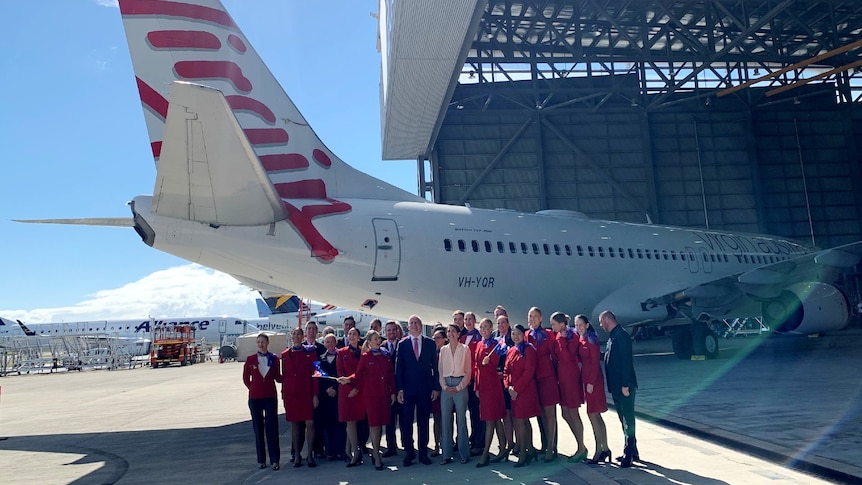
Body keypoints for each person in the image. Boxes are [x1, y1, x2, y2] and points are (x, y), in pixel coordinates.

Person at [339, 330, 395, 470]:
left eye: (378, 338)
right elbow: (358, 375)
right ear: (369, 342)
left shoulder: (385, 355)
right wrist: (347, 379)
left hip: (384, 395)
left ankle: (376, 452)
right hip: (371, 396)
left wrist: (393, 391)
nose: (378, 340)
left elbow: (390, 375)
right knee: (374, 425)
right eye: (375, 339)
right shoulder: (365, 356)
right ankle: (376, 455)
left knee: (381, 425)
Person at [395, 315, 440, 467]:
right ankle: (409, 453)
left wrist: (435, 387)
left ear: (421, 326)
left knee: (423, 422)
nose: (414, 325)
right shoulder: (402, 344)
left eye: (416, 323)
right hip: (407, 390)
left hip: (425, 389)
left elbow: (435, 367)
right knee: (406, 422)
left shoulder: (430, 343)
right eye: (411, 323)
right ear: (408, 327)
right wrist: (399, 389)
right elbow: (399, 369)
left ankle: (423, 454)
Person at [599, 310, 639, 468]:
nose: (601, 325)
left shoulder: (621, 336)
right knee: (623, 419)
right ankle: (632, 449)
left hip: (623, 385)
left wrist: (625, 384)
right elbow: (611, 357)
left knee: (628, 420)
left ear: (608, 319)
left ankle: (629, 454)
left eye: (602, 322)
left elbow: (626, 361)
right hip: (616, 385)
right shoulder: (613, 336)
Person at [550, 312, 588, 463]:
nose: (552, 327)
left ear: (561, 324)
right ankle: (581, 445)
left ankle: (581, 447)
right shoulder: (559, 336)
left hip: (571, 378)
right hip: (562, 378)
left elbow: (567, 356)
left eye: (554, 324)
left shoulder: (572, 336)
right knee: (565, 413)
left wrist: (564, 339)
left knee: (573, 412)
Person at [281, 327, 319, 468]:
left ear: (303, 337)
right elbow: (284, 375)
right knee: (295, 424)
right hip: (292, 394)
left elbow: (316, 373)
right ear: (291, 336)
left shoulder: (310, 352)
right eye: (294, 334)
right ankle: (297, 454)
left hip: (306, 393)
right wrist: (283, 393)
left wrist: (316, 394)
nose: (296, 336)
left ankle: (310, 454)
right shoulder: (285, 355)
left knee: (310, 423)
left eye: (299, 334)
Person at [525, 307, 559, 462]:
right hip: (535, 379)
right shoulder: (526, 335)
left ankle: (552, 447)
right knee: (541, 414)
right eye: (530, 316)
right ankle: (545, 445)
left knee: (550, 413)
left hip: (548, 377)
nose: (532, 319)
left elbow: (555, 354)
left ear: (540, 318)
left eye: (535, 316)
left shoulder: (548, 334)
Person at [503, 324, 540, 467]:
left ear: (523, 335)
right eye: (513, 334)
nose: (516, 336)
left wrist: (516, 389)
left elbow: (529, 372)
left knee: (522, 421)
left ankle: (524, 453)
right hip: (514, 393)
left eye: (518, 333)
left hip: (525, 391)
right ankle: (530, 449)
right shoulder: (511, 350)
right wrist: (509, 387)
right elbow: (506, 371)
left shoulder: (529, 350)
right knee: (521, 421)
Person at [575, 314, 610, 464]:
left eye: (581, 325)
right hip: (587, 380)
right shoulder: (582, 338)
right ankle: (605, 448)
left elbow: (595, 362)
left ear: (587, 325)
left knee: (593, 414)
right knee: (595, 416)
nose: (578, 328)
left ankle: (599, 449)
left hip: (593, 381)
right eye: (576, 325)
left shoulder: (591, 339)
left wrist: (590, 382)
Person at [243, 333, 281, 470]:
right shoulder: (251, 359)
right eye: (258, 342)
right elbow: (246, 379)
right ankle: (261, 460)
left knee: (272, 428)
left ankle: (275, 460)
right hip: (255, 397)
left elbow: (277, 376)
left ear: (267, 343)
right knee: (258, 429)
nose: (261, 344)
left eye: (263, 342)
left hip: (270, 396)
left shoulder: (274, 359)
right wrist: (254, 388)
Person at [473, 317, 506, 467]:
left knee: (491, 420)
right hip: (483, 387)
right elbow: (476, 367)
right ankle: (504, 448)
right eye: (481, 327)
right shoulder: (479, 344)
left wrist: (489, 360)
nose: (483, 329)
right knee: (494, 419)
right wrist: (477, 387)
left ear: (491, 329)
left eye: (486, 327)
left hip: (493, 386)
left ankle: (486, 453)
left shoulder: (496, 344)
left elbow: (495, 363)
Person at [438, 324, 472, 465]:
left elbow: (468, 371)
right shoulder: (443, 350)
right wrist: (445, 386)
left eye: (453, 331)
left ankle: (464, 453)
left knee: (461, 421)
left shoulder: (465, 349)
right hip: (446, 386)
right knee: (445, 421)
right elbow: (440, 371)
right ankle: (446, 454)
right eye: (449, 331)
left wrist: (459, 387)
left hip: (460, 385)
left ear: (458, 334)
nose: (451, 333)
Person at [336, 327, 365, 467]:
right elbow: (340, 374)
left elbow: (364, 374)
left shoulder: (363, 353)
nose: (351, 336)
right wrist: (350, 389)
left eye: (354, 334)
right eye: (349, 334)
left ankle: (348, 450)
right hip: (346, 392)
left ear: (359, 337)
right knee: (350, 422)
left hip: (359, 391)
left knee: (354, 422)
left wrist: (357, 389)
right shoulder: (341, 353)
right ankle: (355, 452)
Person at [317, 333, 346, 461]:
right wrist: (327, 389)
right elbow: (319, 377)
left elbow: (343, 374)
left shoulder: (341, 357)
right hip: (326, 397)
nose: (329, 344)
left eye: (331, 341)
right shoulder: (320, 359)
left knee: (339, 424)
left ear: (335, 343)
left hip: (339, 395)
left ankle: (340, 451)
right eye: (327, 342)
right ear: (324, 344)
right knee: (327, 425)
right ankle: (330, 452)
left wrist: (335, 388)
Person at [460, 311, 485, 456]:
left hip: (474, 380)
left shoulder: (479, 336)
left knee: (477, 413)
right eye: (466, 319)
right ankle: (472, 439)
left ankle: (479, 443)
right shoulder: (463, 337)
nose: (468, 321)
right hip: (465, 381)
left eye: (470, 319)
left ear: (475, 321)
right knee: (469, 412)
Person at [304, 321, 327, 459]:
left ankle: (318, 449)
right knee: (302, 424)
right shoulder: (300, 348)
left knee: (318, 421)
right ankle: (299, 451)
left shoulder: (321, 348)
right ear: (305, 331)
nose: (311, 331)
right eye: (309, 329)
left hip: (318, 388)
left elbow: (321, 370)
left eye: (314, 329)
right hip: (304, 389)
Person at [494, 314, 515, 456]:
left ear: (508, 324)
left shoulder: (512, 339)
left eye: (503, 323)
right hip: (498, 382)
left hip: (510, 381)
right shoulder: (497, 341)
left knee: (513, 414)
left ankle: (518, 442)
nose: (501, 326)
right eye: (498, 323)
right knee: (505, 414)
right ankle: (509, 442)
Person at [382, 320, 403, 457]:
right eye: (388, 330)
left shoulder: (403, 345)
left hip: (401, 388)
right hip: (387, 390)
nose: (391, 332)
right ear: (385, 332)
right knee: (389, 421)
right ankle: (391, 446)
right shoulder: (381, 346)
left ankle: (407, 444)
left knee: (404, 419)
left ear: (397, 331)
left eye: (393, 330)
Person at [430, 327, 447, 457]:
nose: (436, 340)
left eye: (438, 338)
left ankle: (447, 443)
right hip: (435, 388)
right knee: (436, 418)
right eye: (434, 338)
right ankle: (436, 444)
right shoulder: (432, 353)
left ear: (444, 339)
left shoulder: (447, 352)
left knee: (448, 418)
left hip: (447, 387)